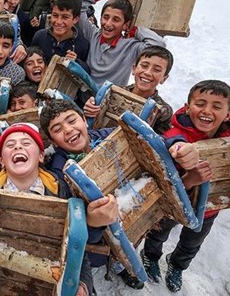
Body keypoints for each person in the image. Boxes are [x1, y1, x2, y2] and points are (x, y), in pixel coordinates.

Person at [41, 98, 199, 290]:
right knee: (112, 252)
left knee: (135, 237)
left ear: (84, 119)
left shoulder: (111, 135)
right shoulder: (59, 174)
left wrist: (178, 146)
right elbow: (70, 227)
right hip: (101, 239)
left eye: (72, 120)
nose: (67, 129)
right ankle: (117, 265)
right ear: (53, 141)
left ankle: (122, 264)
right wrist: (92, 223)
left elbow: (156, 141)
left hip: (138, 210)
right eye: (57, 129)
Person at [0, 123, 111, 296]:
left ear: (41, 155)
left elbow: (76, 247)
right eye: (10, 145)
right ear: (2, 160)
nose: (18, 146)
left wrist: (83, 284)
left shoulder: (61, 192)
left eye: (26, 143)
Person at [141, 80, 230, 292]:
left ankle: (177, 265)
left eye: (217, 106)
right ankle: (150, 256)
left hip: (208, 209)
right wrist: (185, 164)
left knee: (192, 242)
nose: (207, 111)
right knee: (159, 233)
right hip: (174, 205)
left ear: (228, 114)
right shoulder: (173, 136)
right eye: (200, 103)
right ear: (188, 107)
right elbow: (168, 161)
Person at [78, 0, 166, 87]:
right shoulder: (93, 34)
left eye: (116, 20)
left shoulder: (130, 47)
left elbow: (159, 44)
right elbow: (77, 7)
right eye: (105, 17)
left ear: (125, 25)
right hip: (83, 94)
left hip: (110, 99)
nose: (108, 23)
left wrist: (135, 31)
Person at [84, 46, 175, 135]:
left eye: (156, 70)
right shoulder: (111, 92)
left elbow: (161, 143)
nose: (147, 73)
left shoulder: (163, 110)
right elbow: (89, 122)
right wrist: (90, 110)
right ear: (134, 69)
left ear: (164, 78)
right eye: (144, 66)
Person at [31, 0, 90, 73]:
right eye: (55, 15)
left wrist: (76, 63)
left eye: (65, 17)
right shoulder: (39, 37)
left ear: (76, 19)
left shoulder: (82, 45)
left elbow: (87, 74)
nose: (58, 22)